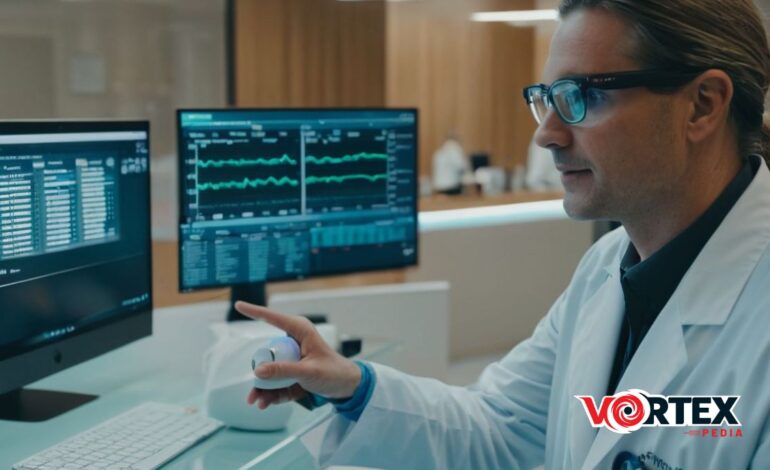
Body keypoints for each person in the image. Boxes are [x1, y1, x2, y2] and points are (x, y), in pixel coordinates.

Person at [236, 0, 770, 467]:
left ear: (702, 105)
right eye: (548, 97)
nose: (546, 134)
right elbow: (501, 424)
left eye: (582, 96)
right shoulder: (606, 270)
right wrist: (352, 387)